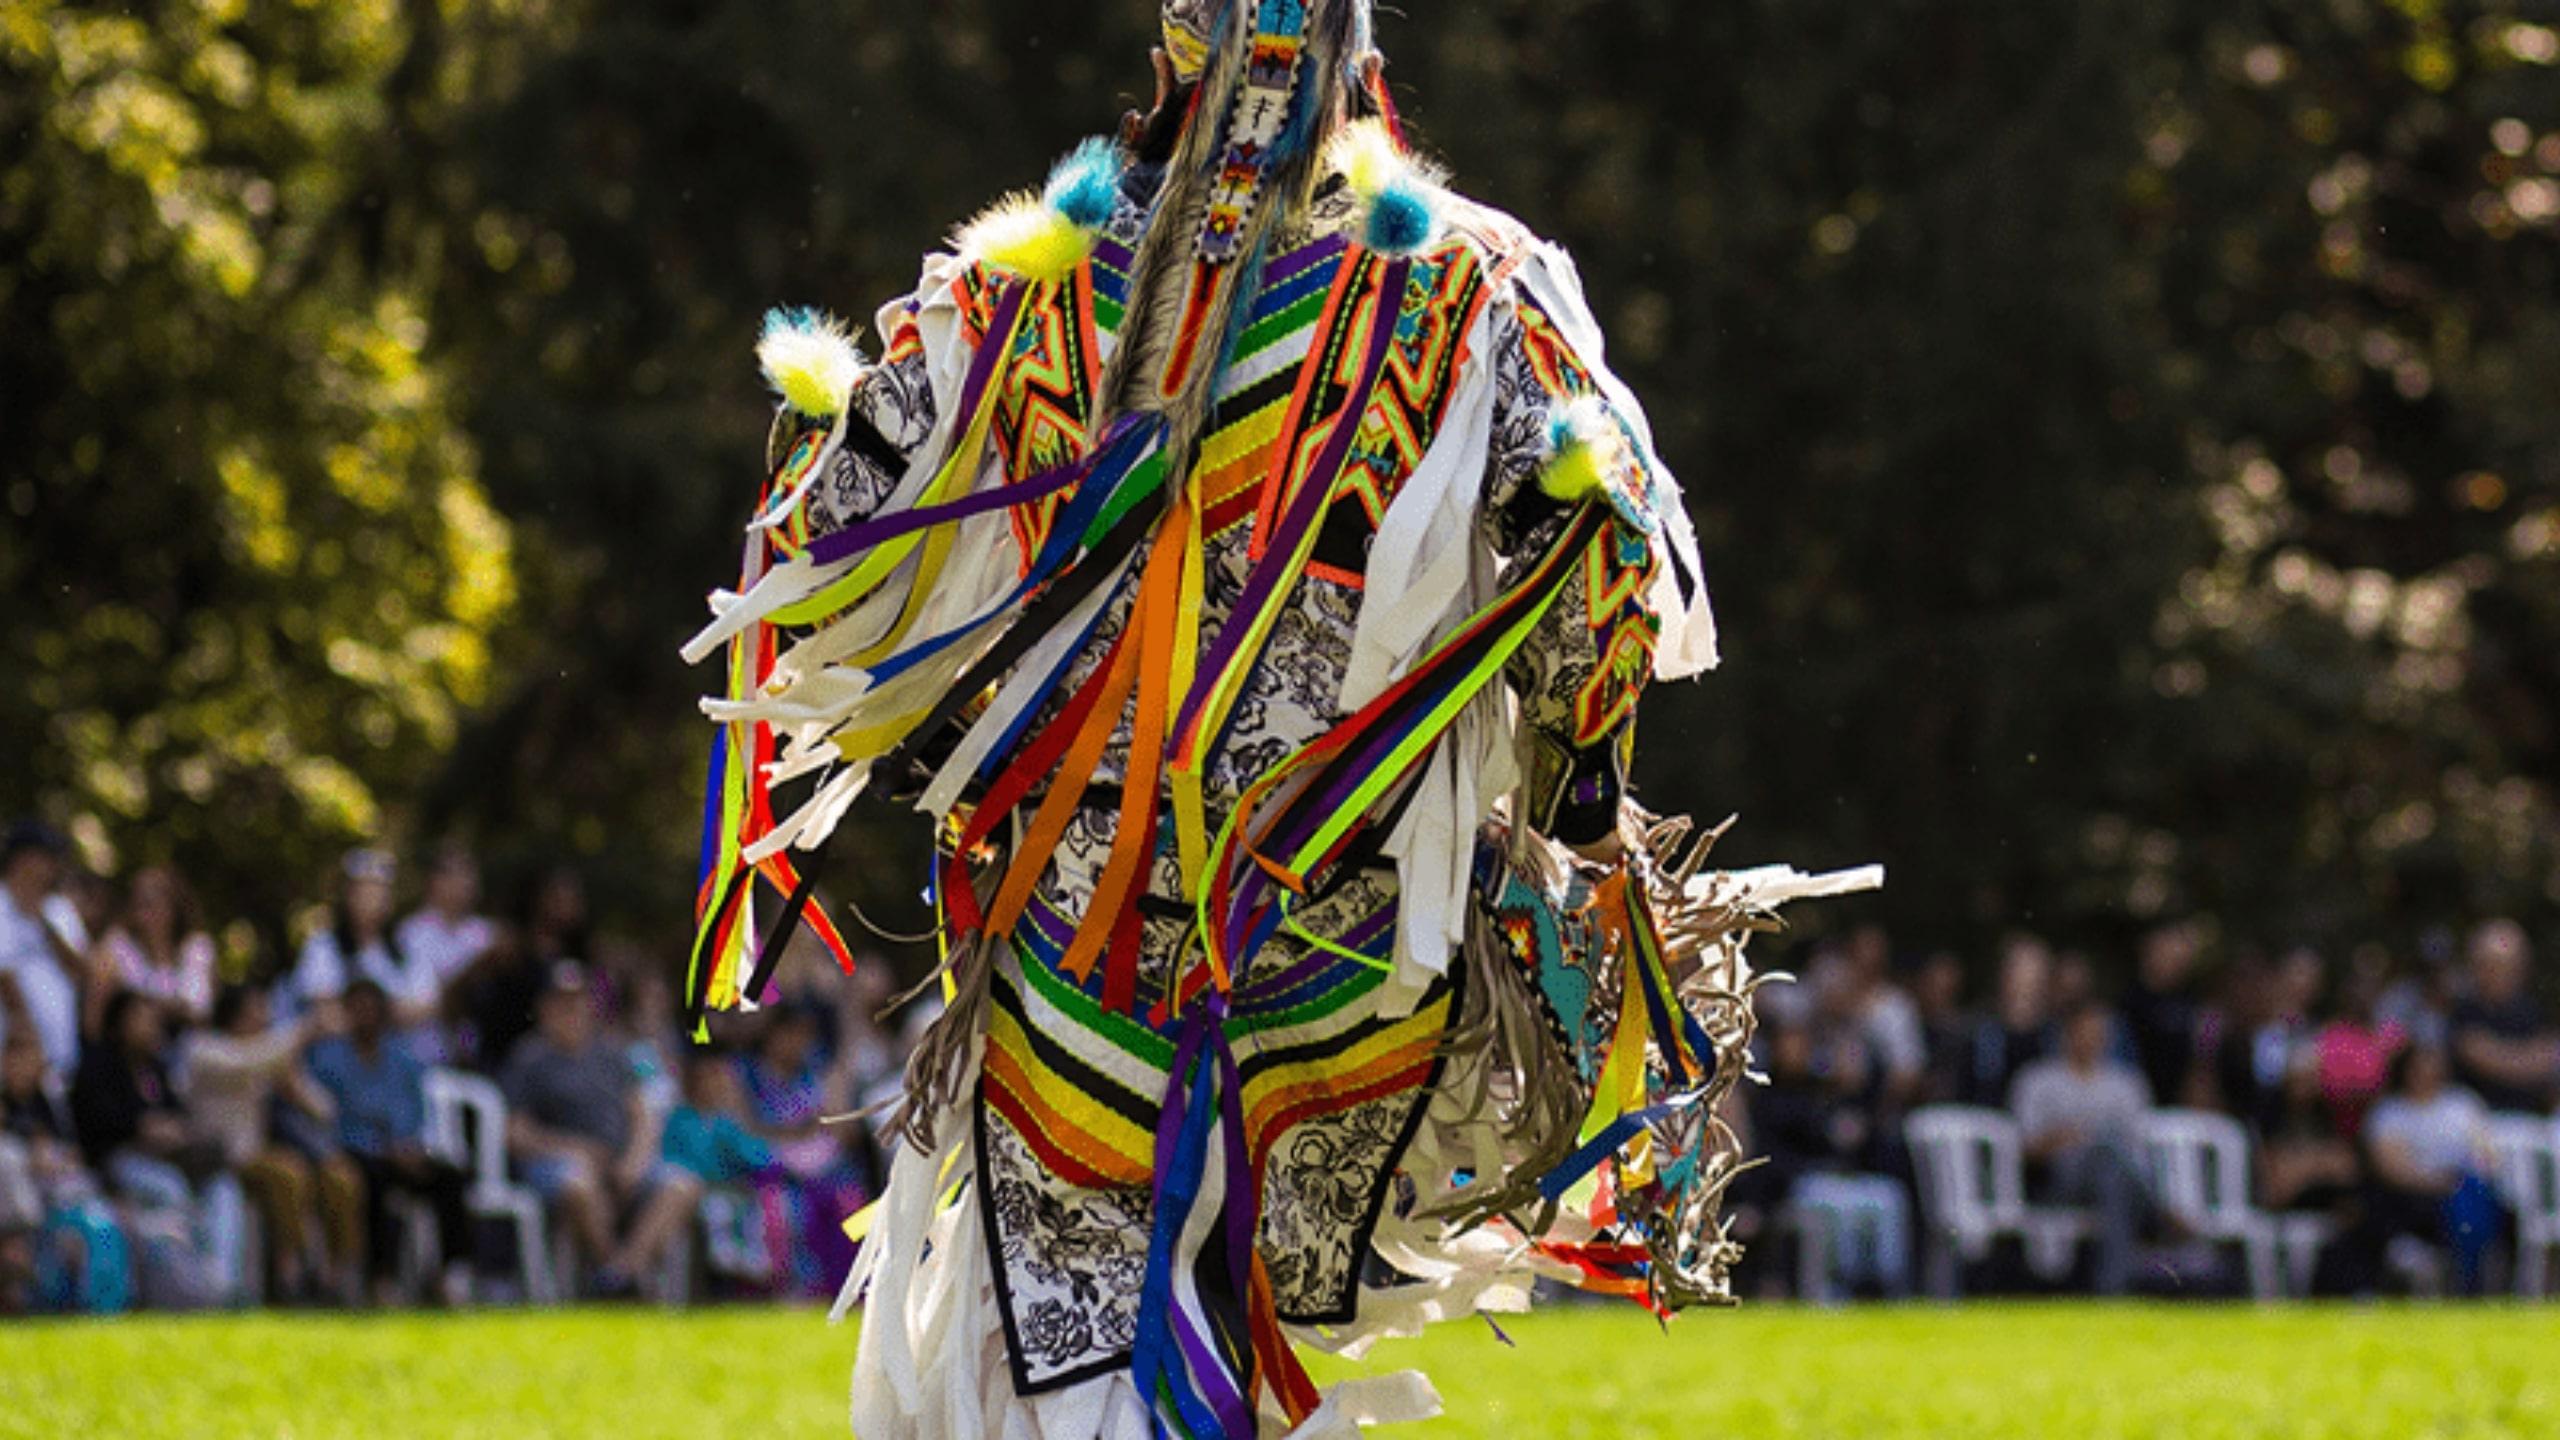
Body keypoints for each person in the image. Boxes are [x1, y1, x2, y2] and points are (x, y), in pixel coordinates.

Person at [675, 3, 1798, 1430]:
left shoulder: (1028, 288)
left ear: (1170, 59)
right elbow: (1608, 557)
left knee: (1082, 1327)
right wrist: (1578, 797)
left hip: (1084, 926)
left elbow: (829, 525)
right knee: (1198, 1304)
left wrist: (892, 690)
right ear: (1357, 61)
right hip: (1330, 929)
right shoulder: (1462, 287)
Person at [501, 963, 700, 1296]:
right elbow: (517, 1134)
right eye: (562, 1002)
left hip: (621, 1161)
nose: (572, 1010)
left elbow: (643, 1117)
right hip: (561, 1163)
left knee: (683, 1184)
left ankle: (622, 1271)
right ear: (545, 1008)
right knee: (577, 1181)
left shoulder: (613, 1053)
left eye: (579, 1001)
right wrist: (575, 1149)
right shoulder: (529, 1058)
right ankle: (613, 1268)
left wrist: (634, 1162)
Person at [182, 983, 363, 1301]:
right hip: (224, 1158)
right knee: (288, 1174)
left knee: (341, 1177)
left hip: (265, 1153)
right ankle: (289, 1275)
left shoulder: (270, 1056)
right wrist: (306, 1029)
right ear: (234, 1016)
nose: (265, 1018)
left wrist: (293, 1084)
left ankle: (335, 1277)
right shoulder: (204, 1049)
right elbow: (247, 1062)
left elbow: (324, 1110)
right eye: (257, 1011)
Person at [305, 980, 475, 1306]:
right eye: (358, 1009)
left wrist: (407, 1147)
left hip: (403, 1150)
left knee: (451, 1176)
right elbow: (325, 1118)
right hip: (354, 1152)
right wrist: (382, 1148)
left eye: (372, 1009)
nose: (366, 1017)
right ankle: (381, 1279)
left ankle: (449, 1274)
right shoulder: (327, 1060)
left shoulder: (402, 1059)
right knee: (372, 1182)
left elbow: (415, 1113)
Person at [69, 991, 241, 1307]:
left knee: (224, 1190)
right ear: (119, 1023)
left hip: (171, 1161)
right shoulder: (97, 1064)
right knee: (169, 1189)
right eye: (142, 1018)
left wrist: (175, 1132)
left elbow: (179, 1116)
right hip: (118, 1162)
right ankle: (190, 1291)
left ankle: (222, 1285)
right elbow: (94, 1123)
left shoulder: (156, 1071)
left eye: (154, 1020)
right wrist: (141, 1127)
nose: (151, 1026)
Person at [1742, 1020, 1910, 1301]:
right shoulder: (1768, 1098)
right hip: (1797, 1183)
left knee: (1889, 1198)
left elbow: (1862, 1145)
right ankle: (1842, 1284)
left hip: (1843, 1178)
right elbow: (1769, 1157)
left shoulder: (1823, 1092)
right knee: (1837, 1207)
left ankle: (1886, 1283)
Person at [2009, 1001, 2158, 1295]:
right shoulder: (2037, 1080)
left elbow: (2141, 1147)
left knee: (2111, 1173)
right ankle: (2159, 1206)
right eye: (2085, 1031)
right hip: (2058, 1181)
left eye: (2099, 1032)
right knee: (2107, 1157)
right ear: (2068, 1034)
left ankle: (2111, 1289)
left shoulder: (2127, 1084)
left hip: (2115, 1183)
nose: (2093, 1039)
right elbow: (2025, 1149)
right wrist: (2063, 1138)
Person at [735, 1005, 867, 1298]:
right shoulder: (748, 1076)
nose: (799, 1043)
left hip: (822, 1169)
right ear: (773, 1035)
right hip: (769, 1169)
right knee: (783, 1207)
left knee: (849, 1202)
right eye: (792, 1034)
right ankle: (791, 1289)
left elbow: (838, 1129)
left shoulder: (813, 1076)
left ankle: (848, 1289)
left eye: (805, 1036)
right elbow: (744, 1127)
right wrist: (795, 1131)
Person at [2353, 1043, 2504, 1295]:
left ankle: (2475, 1276)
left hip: (2465, 1187)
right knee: (2458, 1206)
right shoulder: (2390, 1113)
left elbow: (2486, 1153)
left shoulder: (2463, 1104)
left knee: (2476, 1200)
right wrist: (2439, 1182)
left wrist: (2468, 1176)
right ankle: (2466, 1280)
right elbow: (2391, 1168)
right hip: (2415, 1195)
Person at [1, 1027, 131, 1313]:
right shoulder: (5, 1107)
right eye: (18, 1058)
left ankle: (104, 1309)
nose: (28, 1066)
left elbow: (72, 1153)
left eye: (34, 1057)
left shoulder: (48, 1104)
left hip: (64, 1193)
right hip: (24, 1209)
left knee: (105, 1225)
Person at [287, 851, 441, 1042]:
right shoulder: (323, 946)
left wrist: (367, 1012)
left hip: (396, 1054)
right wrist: (384, 1013)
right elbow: (325, 1011)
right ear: (348, 895)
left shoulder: (406, 948)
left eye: (380, 892)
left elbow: (425, 1006)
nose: (373, 900)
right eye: (365, 891)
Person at [659, 1049, 777, 1286]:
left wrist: (733, 1134)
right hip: (698, 1192)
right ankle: (725, 1258)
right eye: (707, 1078)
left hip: (737, 1192)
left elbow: (761, 1158)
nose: (714, 1085)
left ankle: (759, 1266)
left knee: (766, 1207)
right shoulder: (680, 1119)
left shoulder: (730, 1122)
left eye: (720, 1078)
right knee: (718, 1209)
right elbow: (672, 1159)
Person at [82, 866, 220, 1039]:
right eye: (140, 903)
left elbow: (202, 1015)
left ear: (175, 906)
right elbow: (94, 1012)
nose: (147, 913)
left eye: (154, 902)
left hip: (189, 1049)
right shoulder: (116, 945)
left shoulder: (198, 948)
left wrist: (149, 1002)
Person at [0, 822, 90, 1077]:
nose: (53, 866)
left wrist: (45, 925)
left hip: (59, 1059)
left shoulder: (60, 910)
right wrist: (30, 1042)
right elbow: (4, 977)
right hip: (12, 1062)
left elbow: (83, 971)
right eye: (47, 857)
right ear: (22, 859)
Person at [2447, 919, 2559, 1114]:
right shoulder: (2463, 1009)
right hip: (2473, 1121)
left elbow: (2550, 1057)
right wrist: (2527, 1059)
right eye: (2494, 965)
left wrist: (2505, 1055)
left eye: (2512, 965)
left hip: (2530, 1120)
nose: (2504, 973)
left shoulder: (2531, 1009)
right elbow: (2479, 1056)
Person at [2120, 920, 2205, 1108]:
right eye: (2164, 951)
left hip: (2180, 1100)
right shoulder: (2130, 1000)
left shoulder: (2192, 999)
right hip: (2138, 1095)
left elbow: (2202, 1049)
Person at [394, 843, 499, 991]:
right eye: (460, 874)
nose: (469, 883)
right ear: (435, 882)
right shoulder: (412, 930)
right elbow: (422, 995)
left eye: (471, 874)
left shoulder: (486, 930)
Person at [1967, 934, 2055, 1106]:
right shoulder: (1979, 1029)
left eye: (2036, 968)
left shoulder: (2057, 1033)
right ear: (2004, 974)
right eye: (2020, 967)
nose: (2027, 978)